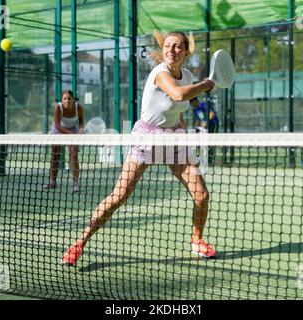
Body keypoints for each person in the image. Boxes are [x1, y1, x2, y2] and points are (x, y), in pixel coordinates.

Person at [61, 31, 217, 266]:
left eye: (177, 47)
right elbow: (177, 95)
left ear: (186, 52)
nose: (171, 50)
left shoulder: (187, 75)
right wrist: (206, 84)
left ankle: (197, 240)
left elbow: (179, 111)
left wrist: (184, 138)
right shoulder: (160, 73)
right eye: (167, 46)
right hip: (147, 138)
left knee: (201, 195)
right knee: (119, 196)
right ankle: (79, 243)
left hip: (174, 137)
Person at [45, 90, 84, 193]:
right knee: (55, 155)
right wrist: (72, 135)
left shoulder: (78, 108)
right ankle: (52, 182)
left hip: (72, 129)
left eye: (69, 98)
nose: (67, 101)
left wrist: (80, 129)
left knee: (74, 155)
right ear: (62, 100)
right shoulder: (58, 107)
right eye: (64, 98)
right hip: (58, 130)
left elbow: (81, 120)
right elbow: (57, 125)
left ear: (73, 99)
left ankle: (76, 184)